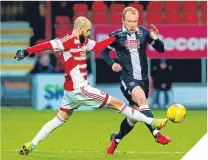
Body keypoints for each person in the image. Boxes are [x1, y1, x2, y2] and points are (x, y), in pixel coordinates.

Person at [14, 16, 168, 156]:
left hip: (70, 93)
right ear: (80, 29)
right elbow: (47, 45)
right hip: (81, 90)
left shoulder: (83, 42)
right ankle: (152, 122)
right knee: (119, 104)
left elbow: (98, 46)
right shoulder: (67, 40)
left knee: (58, 120)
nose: (88, 33)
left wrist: (114, 38)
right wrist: (27, 51)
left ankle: (31, 144)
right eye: (87, 31)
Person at [101, 7, 171, 154]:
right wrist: (112, 63)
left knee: (134, 115)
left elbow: (161, 50)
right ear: (123, 20)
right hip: (128, 78)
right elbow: (103, 51)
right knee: (142, 101)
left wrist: (157, 39)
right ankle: (157, 134)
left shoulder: (144, 33)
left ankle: (116, 139)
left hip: (143, 80)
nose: (132, 24)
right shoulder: (116, 36)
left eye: (135, 21)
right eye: (129, 21)